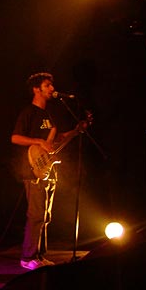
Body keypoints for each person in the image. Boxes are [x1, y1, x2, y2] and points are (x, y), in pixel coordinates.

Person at [10, 72, 87, 271]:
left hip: (49, 167)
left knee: (45, 215)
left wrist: (76, 130)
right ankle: (27, 257)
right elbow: (15, 138)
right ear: (36, 89)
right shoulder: (28, 112)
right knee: (36, 214)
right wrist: (39, 141)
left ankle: (39, 255)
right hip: (32, 169)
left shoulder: (48, 115)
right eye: (47, 86)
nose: (52, 89)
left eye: (51, 85)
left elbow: (56, 139)